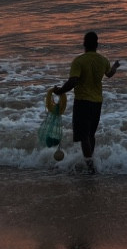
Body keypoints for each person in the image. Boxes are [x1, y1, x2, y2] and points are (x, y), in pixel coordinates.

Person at [50, 30, 119, 173]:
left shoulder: (79, 61)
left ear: (84, 44)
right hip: (97, 102)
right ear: (97, 45)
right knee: (90, 134)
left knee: (84, 136)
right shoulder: (103, 60)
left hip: (83, 102)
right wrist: (115, 66)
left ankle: (89, 165)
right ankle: (90, 160)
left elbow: (73, 81)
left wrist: (60, 91)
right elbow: (109, 74)